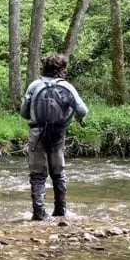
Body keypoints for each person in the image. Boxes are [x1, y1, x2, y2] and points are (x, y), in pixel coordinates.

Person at [20, 53, 88, 220]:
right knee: (58, 172)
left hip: (37, 133)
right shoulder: (67, 86)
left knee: (37, 174)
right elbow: (83, 110)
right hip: (58, 133)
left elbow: (23, 113)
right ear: (62, 69)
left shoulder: (34, 85)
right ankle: (60, 210)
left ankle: (39, 213)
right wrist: (72, 117)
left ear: (45, 67)